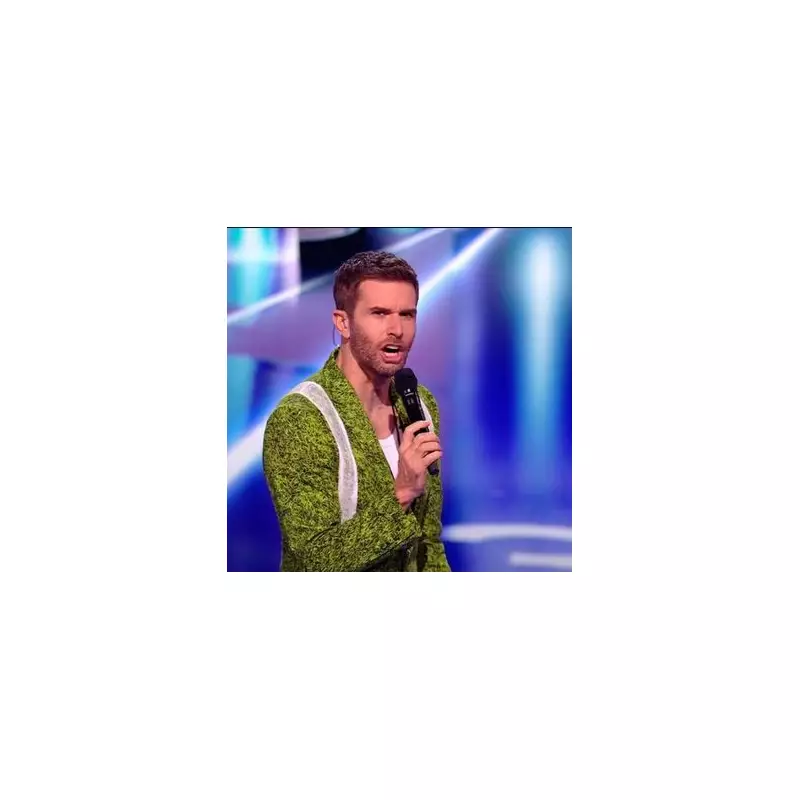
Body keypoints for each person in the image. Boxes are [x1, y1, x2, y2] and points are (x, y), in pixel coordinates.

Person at [263, 250, 450, 571]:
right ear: (343, 322)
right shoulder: (300, 419)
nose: (397, 329)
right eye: (379, 313)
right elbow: (316, 559)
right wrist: (402, 493)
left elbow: (427, 540)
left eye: (407, 314)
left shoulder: (419, 404)